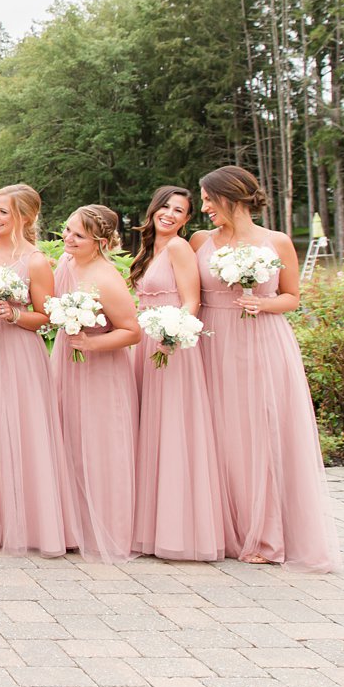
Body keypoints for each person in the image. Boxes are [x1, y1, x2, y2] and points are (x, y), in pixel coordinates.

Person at [193, 165, 340, 571]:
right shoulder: (200, 241)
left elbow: (292, 297)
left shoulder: (276, 242)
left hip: (261, 342)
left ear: (233, 197)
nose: (204, 207)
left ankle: (267, 534)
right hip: (213, 342)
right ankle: (223, 529)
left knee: (261, 433)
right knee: (220, 434)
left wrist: (264, 302)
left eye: (208, 198)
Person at [0, 184, 67, 558]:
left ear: (24, 217)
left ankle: (27, 522)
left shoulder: (36, 261)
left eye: (3, 212)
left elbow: (46, 317)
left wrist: (13, 314)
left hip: (18, 353)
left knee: (20, 430)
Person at [129, 186, 224, 562]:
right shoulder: (148, 250)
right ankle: (149, 526)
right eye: (165, 207)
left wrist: (173, 334)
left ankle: (178, 529)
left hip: (170, 346)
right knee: (149, 430)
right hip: (144, 344)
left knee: (172, 431)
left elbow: (191, 300)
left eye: (179, 211)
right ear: (154, 209)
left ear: (187, 220)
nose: (169, 214)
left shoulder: (179, 248)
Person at [53, 204, 142, 564]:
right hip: (67, 361)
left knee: (101, 446)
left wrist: (92, 343)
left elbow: (132, 331)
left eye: (78, 235)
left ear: (101, 242)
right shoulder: (65, 263)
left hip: (101, 371)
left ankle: (107, 528)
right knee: (69, 438)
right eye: (68, 229)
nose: (68, 238)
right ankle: (73, 526)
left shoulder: (106, 278)